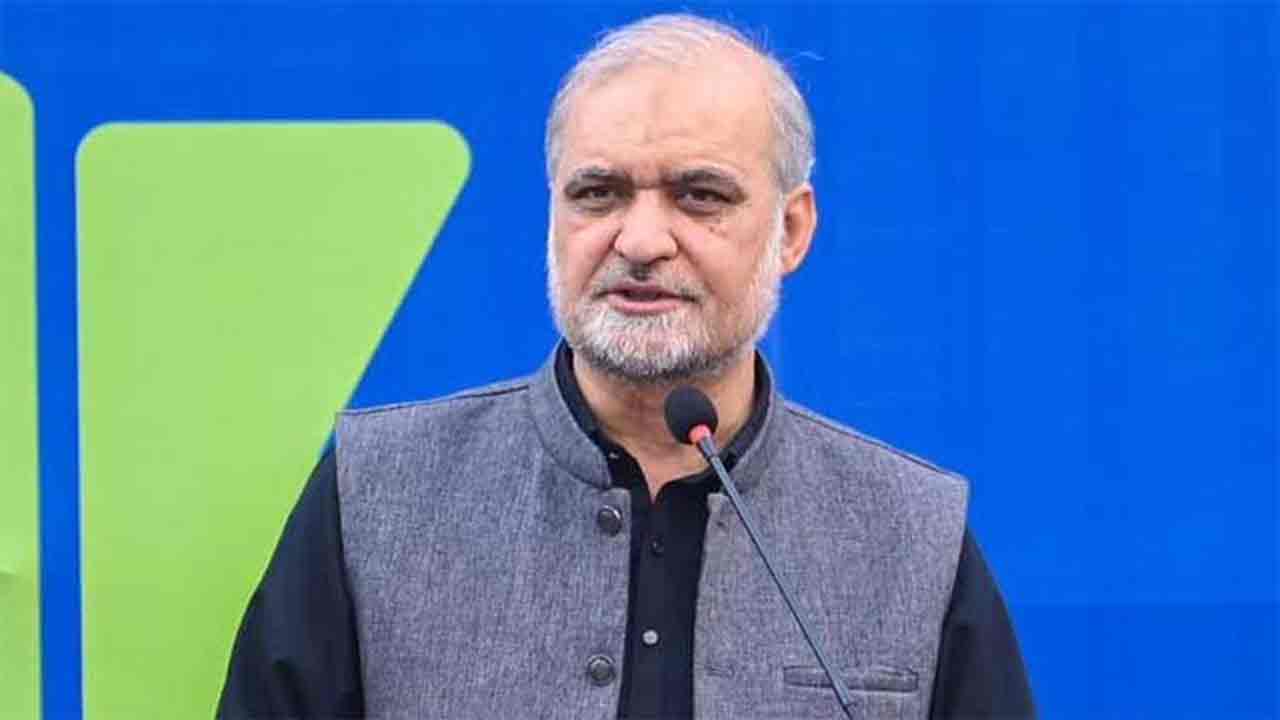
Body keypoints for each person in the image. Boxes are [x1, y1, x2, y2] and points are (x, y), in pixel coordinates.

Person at [218, 13, 1034, 720]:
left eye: (700, 195)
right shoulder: (377, 493)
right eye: (599, 193)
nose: (640, 241)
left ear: (790, 231)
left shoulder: (911, 533)